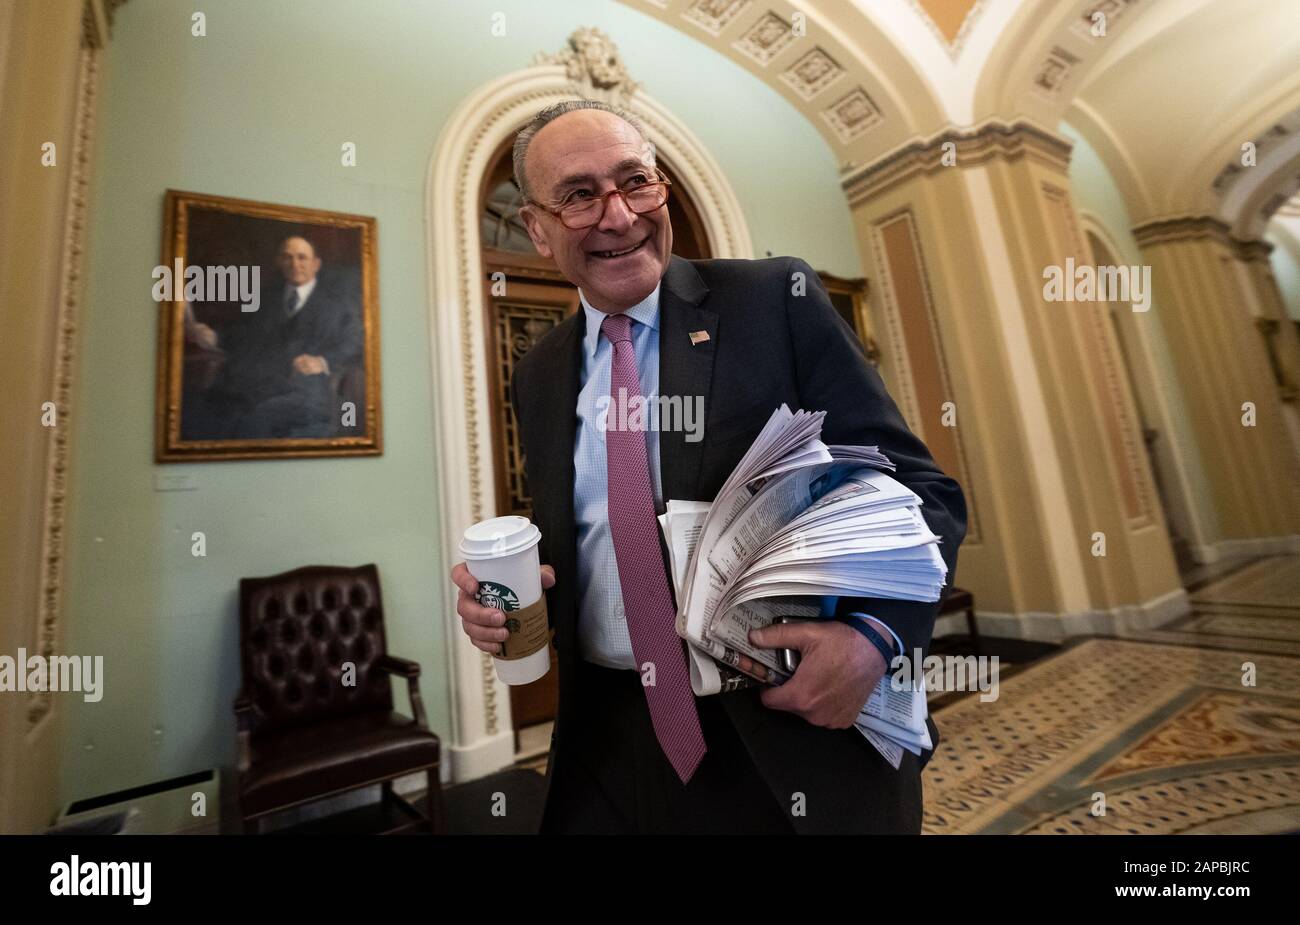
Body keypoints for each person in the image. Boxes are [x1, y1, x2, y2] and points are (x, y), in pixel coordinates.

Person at [450, 100, 967, 834]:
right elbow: (589, 535)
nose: (619, 214)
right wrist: (506, 606)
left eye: (636, 181)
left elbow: (924, 493)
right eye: (578, 195)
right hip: (608, 743)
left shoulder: (772, 303)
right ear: (535, 228)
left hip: (787, 733)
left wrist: (876, 638)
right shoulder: (537, 371)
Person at [183, 234, 363, 440]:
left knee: (255, 420)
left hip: (308, 390)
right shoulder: (266, 297)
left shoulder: (336, 303)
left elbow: (355, 341)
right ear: (279, 262)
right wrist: (214, 336)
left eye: (302, 257)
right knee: (199, 409)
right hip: (259, 385)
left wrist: (322, 361)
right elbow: (243, 332)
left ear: (316, 264)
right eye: (287, 257)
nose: (294, 263)